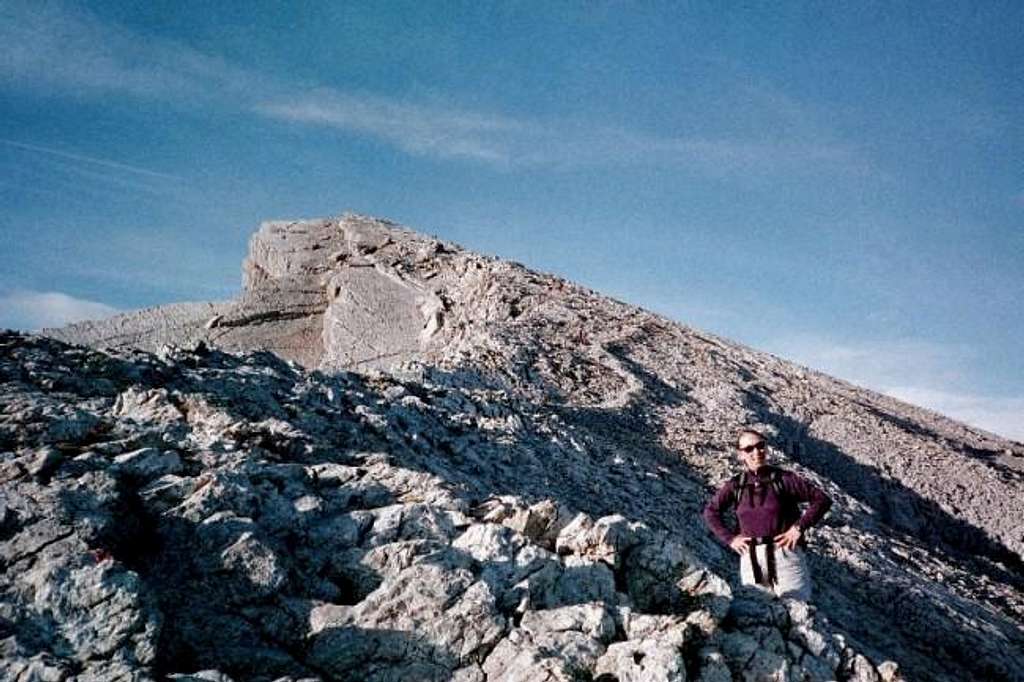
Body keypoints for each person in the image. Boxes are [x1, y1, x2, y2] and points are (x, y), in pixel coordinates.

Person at [703, 428, 832, 601]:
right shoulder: (736, 485)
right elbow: (711, 512)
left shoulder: (784, 479)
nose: (756, 452)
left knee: (798, 612)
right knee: (759, 615)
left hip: (786, 554)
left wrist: (798, 528)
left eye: (760, 446)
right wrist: (730, 539)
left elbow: (821, 500)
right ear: (741, 454)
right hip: (751, 558)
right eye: (749, 449)